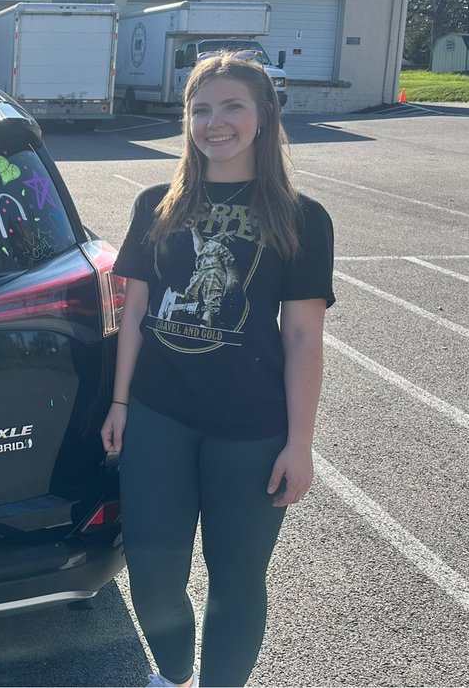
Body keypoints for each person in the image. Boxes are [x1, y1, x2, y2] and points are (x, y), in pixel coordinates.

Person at [101, 53, 334, 688]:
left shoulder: (301, 217)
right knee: (153, 576)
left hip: (252, 428)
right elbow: (135, 310)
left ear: (264, 115)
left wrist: (300, 443)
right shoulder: (157, 204)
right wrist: (120, 404)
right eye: (201, 109)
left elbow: (304, 336)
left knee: (236, 579)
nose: (215, 122)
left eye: (233, 106)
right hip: (159, 415)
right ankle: (172, 675)